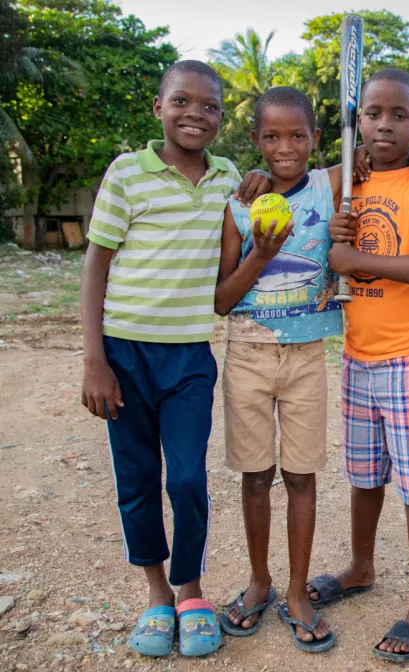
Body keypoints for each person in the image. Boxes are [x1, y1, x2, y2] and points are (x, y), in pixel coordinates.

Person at [212, 86, 409, 653]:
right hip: (331, 355)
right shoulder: (274, 193)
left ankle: (403, 606)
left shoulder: (381, 180)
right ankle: (314, 574)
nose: (285, 147)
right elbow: (223, 297)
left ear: (317, 139)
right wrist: (263, 247)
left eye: (298, 136)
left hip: (376, 353)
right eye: (372, 115)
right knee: (342, 476)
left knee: (383, 483)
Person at [79, 60, 266, 658]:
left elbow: (251, 211)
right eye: (182, 101)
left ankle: (192, 591)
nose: (197, 114)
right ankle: (158, 594)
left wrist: (260, 178)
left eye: (210, 105)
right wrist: (93, 360)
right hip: (124, 355)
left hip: (189, 356)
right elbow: (95, 265)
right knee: (136, 478)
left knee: (186, 479)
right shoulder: (128, 173)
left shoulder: (227, 177)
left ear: (219, 117)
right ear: (159, 108)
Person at [313, 68, 409, 664]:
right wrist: (260, 177)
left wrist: (354, 257)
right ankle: (362, 566)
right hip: (358, 355)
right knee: (365, 474)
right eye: (373, 113)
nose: (385, 125)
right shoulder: (349, 179)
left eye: (400, 116)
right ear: (357, 121)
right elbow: (293, 178)